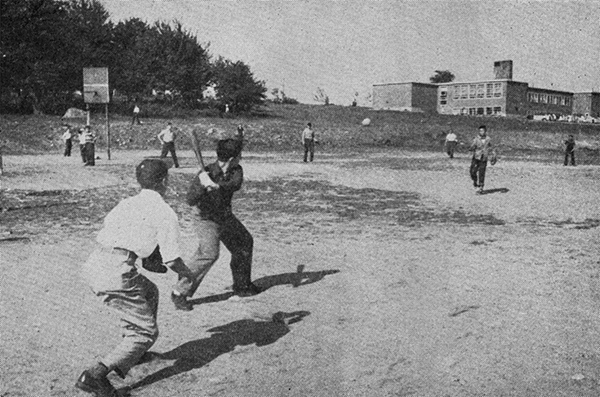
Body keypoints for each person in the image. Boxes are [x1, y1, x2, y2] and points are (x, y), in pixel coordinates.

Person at [76, 159, 194, 397]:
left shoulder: (126, 203)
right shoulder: (164, 211)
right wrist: (187, 273)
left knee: (149, 291)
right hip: (116, 272)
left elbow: (123, 235)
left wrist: (147, 255)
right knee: (146, 333)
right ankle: (95, 375)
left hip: (95, 263)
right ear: (164, 182)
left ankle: (133, 352)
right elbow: (171, 260)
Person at [173, 137, 260, 310]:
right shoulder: (206, 172)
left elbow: (235, 184)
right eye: (238, 155)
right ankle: (179, 292)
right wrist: (203, 186)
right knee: (209, 254)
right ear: (231, 158)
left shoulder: (236, 170)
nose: (240, 158)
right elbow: (190, 200)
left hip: (224, 216)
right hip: (206, 218)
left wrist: (216, 185)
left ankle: (242, 286)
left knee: (244, 242)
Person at [468, 125, 495, 194]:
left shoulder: (488, 139)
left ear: (485, 131)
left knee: (482, 172)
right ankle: (475, 181)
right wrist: (471, 148)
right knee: (472, 171)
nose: (481, 132)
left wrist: (493, 155)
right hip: (476, 157)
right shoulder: (476, 138)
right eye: (480, 131)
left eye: (482, 131)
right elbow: (472, 146)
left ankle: (480, 186)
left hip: (484, 157)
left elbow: (491, 148)